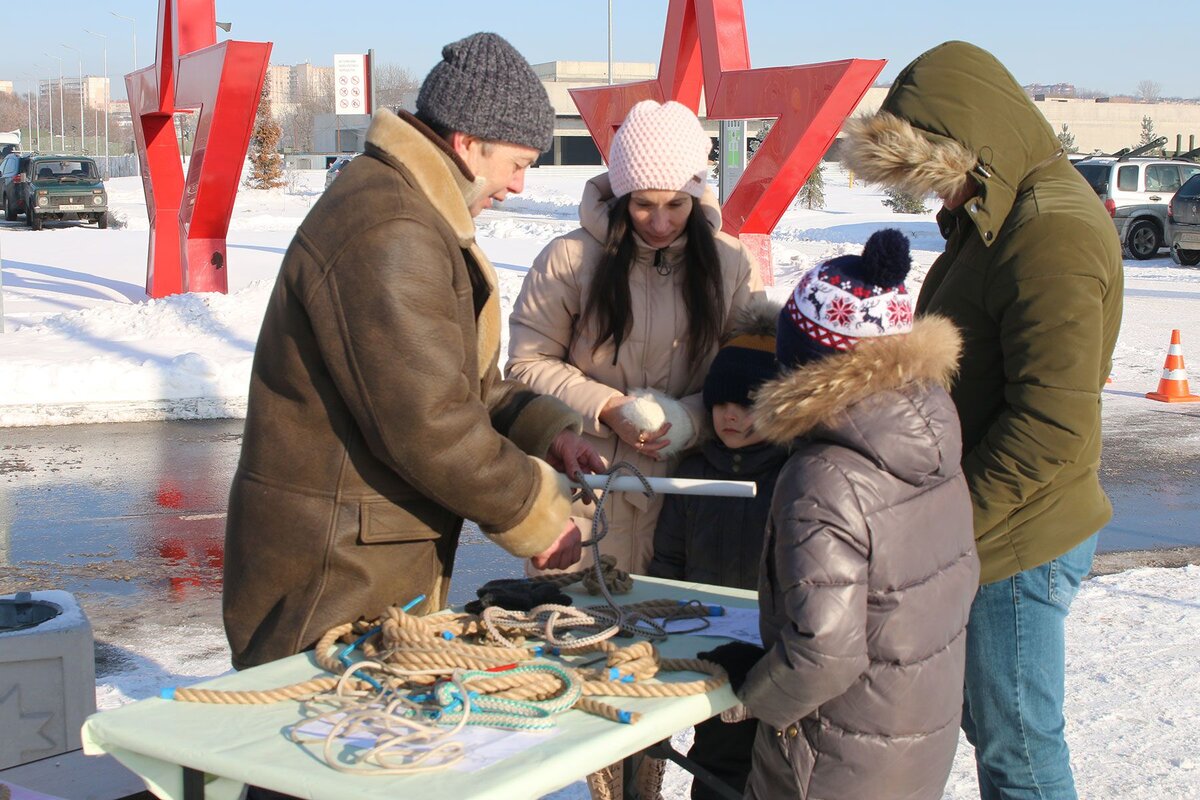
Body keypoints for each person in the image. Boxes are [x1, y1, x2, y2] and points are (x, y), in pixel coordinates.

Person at [223, 32, 604, 672]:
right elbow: (431, 425)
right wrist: (538, 517)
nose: (517, 185)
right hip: (335, 573)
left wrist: (548, 431)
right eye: (516, 163)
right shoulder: (392, 229)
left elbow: (455, 386)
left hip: (361, 556)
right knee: (323, 762)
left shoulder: (412, 211)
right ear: (465, 144)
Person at [840, 41, 1124, 800]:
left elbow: (1052, 426)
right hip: (992, 528)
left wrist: (950, 525)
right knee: (1000, 734)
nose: (933, 199)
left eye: (932, 174)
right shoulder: (1001, 213)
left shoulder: (1048, 236)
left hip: (1016, 540)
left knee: (1019, 751)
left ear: (974, 143)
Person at [699, 229, 980, 800]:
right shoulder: (933, 432)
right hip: (913, 740)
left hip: (832, 757)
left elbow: (825, 652)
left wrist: (752, 697)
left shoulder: (824, 475)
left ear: (802, 363)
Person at [506, 99, 765, 579]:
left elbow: (746, 377)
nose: (660, 223)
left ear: (696, 197)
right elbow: (526, 365)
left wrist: (686, 421)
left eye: (676, 205)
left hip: (687, 505)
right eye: (644, 204)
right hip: (584, 496)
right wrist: (607, 408)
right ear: (623, 195)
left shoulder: (730, 263)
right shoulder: (569, 259)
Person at [646, 300, 787, 800]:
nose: (731, 415)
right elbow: (668, 563)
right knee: (715, 767)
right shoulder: (693, 471)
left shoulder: (792, 476)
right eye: (722, 402)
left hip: (772, 657)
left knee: (776, 771)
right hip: (708, 647)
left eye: (748, 404)